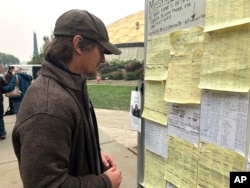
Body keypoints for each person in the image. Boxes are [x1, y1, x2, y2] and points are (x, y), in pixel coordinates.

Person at [12, 9, 122, 188]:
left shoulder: (72, 84)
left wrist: (93, 154)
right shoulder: (48, 107)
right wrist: (105, 183)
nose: (103, 59)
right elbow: (45, 184)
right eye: (101, 50)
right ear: (78, 44)